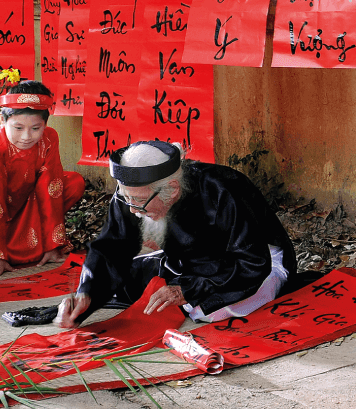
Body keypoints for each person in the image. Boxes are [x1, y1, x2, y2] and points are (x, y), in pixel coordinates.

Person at [55, 140, 297, 328]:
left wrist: (187, 290)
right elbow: (111, 248)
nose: (131, 209)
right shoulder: (133, 193)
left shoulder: (223, 190)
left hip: (251, 265)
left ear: (172, 189)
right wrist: (87, 292)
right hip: (188, 264)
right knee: (125, 283)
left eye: (138, 202)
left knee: (212, 310)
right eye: (125, 198)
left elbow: (252, 262)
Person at [0, 80, 85, 280]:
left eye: (35, 128)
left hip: (23, 195)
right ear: (2, 120)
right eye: (18, 127)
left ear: (45, 124)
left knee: (72, 182)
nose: (26, 136)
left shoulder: (50, 138)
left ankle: (41, 244)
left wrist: (53, 244)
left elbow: (51, 187)